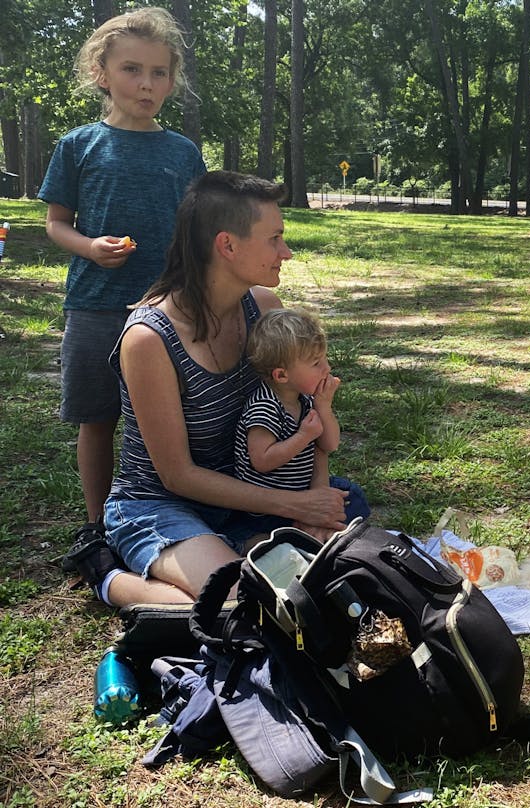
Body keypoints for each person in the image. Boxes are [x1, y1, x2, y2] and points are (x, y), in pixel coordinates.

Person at [74, 171, 356, 607]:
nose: (287, 251)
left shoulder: (264, 308)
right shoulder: (149, 339)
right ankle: (106, 572)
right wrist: (296, 506)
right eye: (275, 238)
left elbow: (305, 418)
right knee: (245, 602)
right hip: (159, 504)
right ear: (227, 245)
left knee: (340, 547)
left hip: (242, 490)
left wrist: (311, 498)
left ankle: (235, 547)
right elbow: (177, 475)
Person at [37, 7, 206, 564]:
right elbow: (56, 221)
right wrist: (90, 247)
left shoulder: (182, 152)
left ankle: (166, 511)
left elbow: (198, 228)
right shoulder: (79, 145)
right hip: (96, 306)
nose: (147, 84)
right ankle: (95, 526)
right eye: (133, 70)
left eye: (160, 73)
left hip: (169, 313)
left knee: (169, 420)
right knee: (98, 418)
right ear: (102, 73)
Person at [235, 307, 370, 532]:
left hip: (303, 491)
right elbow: (262, 460)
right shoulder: (265, 406)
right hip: (267, 511)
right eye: (316, 363)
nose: (327, 368)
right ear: (281, 375)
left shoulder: (305, 399)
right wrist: (303, 436)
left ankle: (323, 534)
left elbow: (330, 444)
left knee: (352, 495)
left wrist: (323, 407)